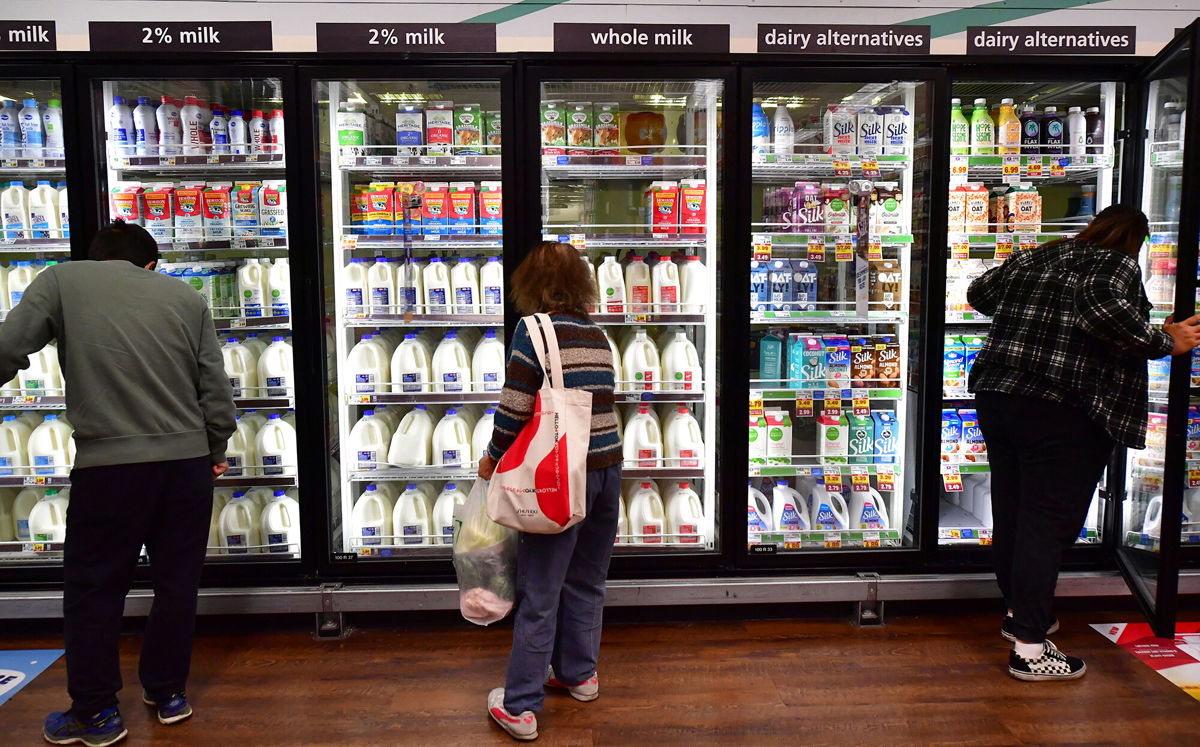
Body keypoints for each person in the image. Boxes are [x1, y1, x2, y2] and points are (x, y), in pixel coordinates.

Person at [0, 221, 236, 745]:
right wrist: (215, 449)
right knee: (176, 586)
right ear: (149, 264)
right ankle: (168, 692)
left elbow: (8, 348)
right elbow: (214, 387)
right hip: (184, 466)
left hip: (109, 469)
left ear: (95, 257)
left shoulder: (61, 280)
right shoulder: (184, 296)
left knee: (94, 591)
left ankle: (97, 713)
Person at [967, 204, 1200, 682]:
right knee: (1047, 525)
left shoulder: (1039, 257)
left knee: (1012, 511)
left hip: (999, 397)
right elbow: (1102, 310)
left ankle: (1019, 616)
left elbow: (980, 292)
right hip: (1063, 408)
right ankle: (1031, 649)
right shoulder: (1114, 264)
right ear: (1137, 241)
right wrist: (1163, 339)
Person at [477, 241, 621, 741]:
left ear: (530, 286)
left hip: (560, 478)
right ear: (582, 283)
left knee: (540, 590)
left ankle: (518, 705)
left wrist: (492, 458)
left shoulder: (533, 330)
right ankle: (579, 675)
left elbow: (515, 406)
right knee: (587, 581)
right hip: (607, 471)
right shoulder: (597, 334)